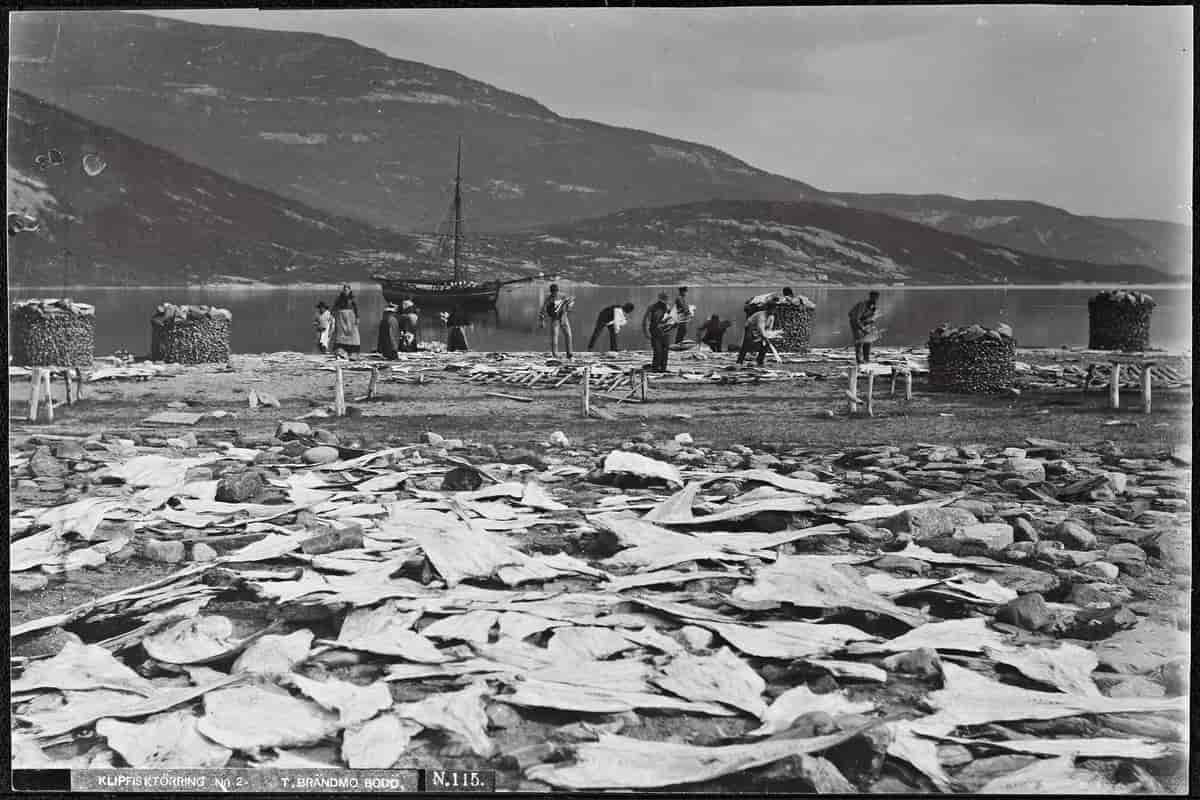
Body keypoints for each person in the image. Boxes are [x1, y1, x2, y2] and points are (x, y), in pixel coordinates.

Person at [538, 283, 574, 360]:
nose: (554, 293)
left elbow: (571, 301)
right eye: (553, 292)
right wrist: (542, 321)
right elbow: (542, 311)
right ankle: (555, 354)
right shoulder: (549, 299)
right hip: (555, 319)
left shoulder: (563, 296)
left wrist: (569, 307)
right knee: (554, 336)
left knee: (568, 335)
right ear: (551, 292)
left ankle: (569, 353)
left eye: (555, 291)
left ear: (558, 291)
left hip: (564, 317)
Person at [738, 299, 779, 366]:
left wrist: (768, 337)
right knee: (747, 342)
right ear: (768, 309)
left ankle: (760, 360)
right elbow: (761, 329)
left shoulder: (772, 317)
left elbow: (768, 330)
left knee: (765, 344)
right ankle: (740, 361)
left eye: (775, 309)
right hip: (750, 327)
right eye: (773, 309)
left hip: (761, 329)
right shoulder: (761, 316)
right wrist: (765, 336)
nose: (774, 311)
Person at [642, 292, 675, 372]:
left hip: (665, 332)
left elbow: (671, 319)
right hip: (655, 332)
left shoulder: (667, 307)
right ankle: (655, 368)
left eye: (666, 299)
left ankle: (663, 368)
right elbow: (645, 321)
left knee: (665, 351)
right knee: (658, 351)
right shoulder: (652, 307)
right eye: (664, 299)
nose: (666, 301)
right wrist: (646, 333)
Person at [848, 290, 881, 364]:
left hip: (865, 322)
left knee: (868, 340)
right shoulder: (862, 305)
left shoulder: (873, 306)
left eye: (876, 298)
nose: (875, 299)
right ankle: (859, 360)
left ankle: (866, 359)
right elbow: (856, 319)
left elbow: (872, 318)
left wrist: (873, 331)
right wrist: (862, 329)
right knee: (859, 340)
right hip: (855, 321)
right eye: (873, 297)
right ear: (870, 297)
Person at [331, 285, 360, 357]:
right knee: (341, 333)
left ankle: (353, 351)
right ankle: (341, 350)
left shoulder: (352, 299)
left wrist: (357, 317)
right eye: (345, 290)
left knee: (352, 333)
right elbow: (334, 307)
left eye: (347, 290)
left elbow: (356, 308)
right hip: (341, 317)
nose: (346, 291)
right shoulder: (339, 299)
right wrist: (332, 315)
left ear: (350, 290)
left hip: (350, 317)